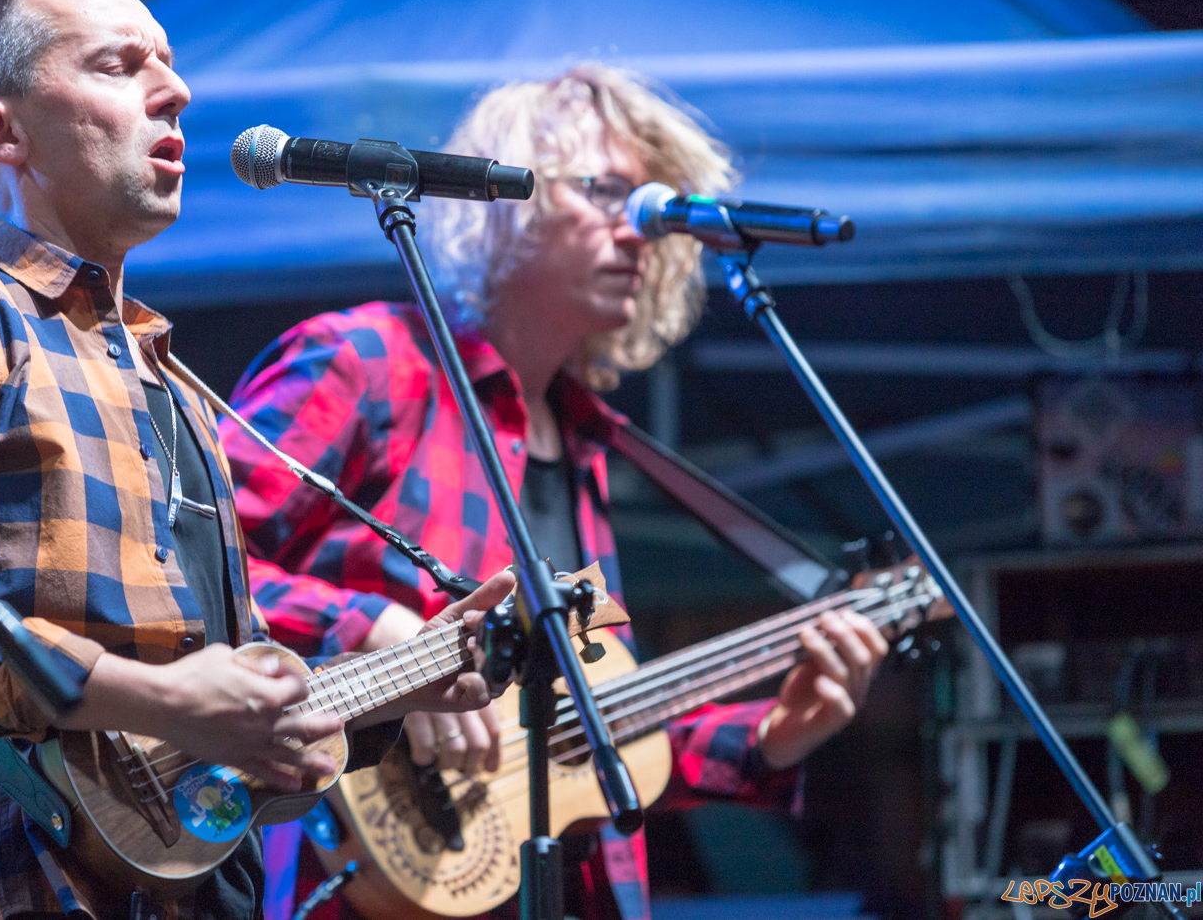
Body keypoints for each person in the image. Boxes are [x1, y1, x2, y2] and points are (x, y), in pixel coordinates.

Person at [0, 0, 510, 920]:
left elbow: (223, 704)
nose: (173, 91)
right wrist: (158, 699)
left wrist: (394, 688)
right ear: (0, 132)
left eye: (169, 62)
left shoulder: (171, 381)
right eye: (117, 64)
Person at [223, 64, 890, 919]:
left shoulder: (586, 443)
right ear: (505, 200)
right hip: (346, 876)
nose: (641, 230)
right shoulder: (364, 361)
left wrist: (772, 738)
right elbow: (185, 573)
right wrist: (386, 643)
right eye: (608, 191)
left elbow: (579, 735)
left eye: (655, 203)